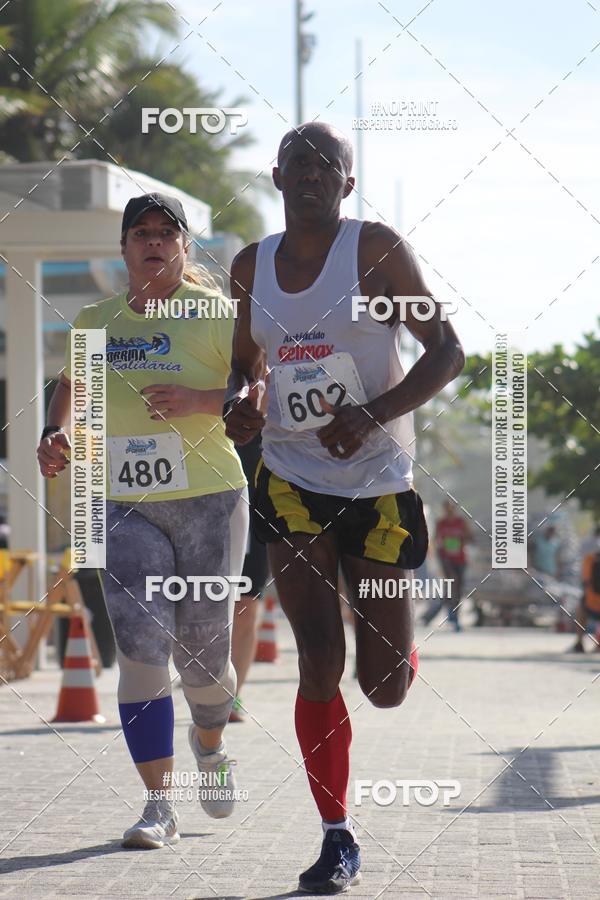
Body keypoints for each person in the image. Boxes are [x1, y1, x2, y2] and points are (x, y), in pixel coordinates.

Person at [224, 122, 465, 894]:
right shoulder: (250, 266)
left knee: (383, 685)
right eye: (298, 163)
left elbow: (448, 350)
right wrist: (242, 404)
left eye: (327, 165)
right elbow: (244, 367)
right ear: (276, 176)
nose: (311, 174)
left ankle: (396, 644)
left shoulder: (375, 251)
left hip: (378, 484)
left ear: (347, 184)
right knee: (319, 658)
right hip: (291, 479)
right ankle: (336, 836)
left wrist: (373, 414)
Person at [37, 193, 248, 850]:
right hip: (116, 502)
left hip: (211, 498)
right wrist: (54, 431)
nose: (153, 242)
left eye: (166, 232)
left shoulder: (218, 314)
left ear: (184, 245)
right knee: (140, 648)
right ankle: (159, 804)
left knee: (204, 659)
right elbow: (70, 385)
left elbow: (256, 389)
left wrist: (199, 398)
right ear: (124, 247)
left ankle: (210, 744)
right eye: (141, 233)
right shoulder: (95, 320)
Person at [229, 434, 270, 722]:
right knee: (197, 602)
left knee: (245, 606)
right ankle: (203, 686)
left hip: (257, 504)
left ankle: (231, 696)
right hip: (202, 500)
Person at [431, 500, 472, 630]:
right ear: (444, 509)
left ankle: (453, 613)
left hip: (460, 560)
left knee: (458, 588)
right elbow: (435, 540)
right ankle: (452, 615)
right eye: (447, 508)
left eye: (451, 508)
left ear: (455, 509)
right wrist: (438, 556)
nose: (449, 511)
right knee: (452, 583)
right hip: (446, 559)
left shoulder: (461, 522)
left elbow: (470, 537)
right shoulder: (440, 523)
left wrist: (463, 538)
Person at [570, 527, 600, 653]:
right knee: (581, 609)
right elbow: (586, 582)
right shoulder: (589, 560)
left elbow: (585, 582)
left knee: (581, 609)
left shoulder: (589, 559)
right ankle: (581, 643)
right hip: (592, 601)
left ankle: (581, 642)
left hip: (591, 602)